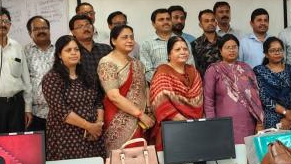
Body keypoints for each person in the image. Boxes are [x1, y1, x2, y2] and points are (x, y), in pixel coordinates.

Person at [41, 34, 104, 161]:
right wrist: (88, 126)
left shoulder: (88, 76)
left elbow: (98, 102)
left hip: (93, 136)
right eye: (68, 50)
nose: (73, 53)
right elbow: (61, 111)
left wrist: (98, 125)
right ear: (59, 55)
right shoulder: (52, 78)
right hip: (66, 136)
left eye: (76, 49)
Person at [97, 25, 155, 154]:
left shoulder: (137, 63)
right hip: (118, 119)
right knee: (121, 159)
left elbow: (145, 87)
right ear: (113, 41)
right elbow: (114, 96)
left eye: (131, 37)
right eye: (124, 37)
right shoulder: (107, 62)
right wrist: (140, 114)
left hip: (141, 120)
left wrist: (148, 111)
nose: (130, 40)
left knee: (141, 158)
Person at [204, 34, 264, 144]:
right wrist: (212, 124)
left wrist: (259, 122)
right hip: (224, 123)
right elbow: (208, 101)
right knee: (229, 152)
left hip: (248, 122)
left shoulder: (246, 68)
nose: (231, 50)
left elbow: (256, 97)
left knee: (248, 152)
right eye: (228, 47)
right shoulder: (214, 70)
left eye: (234, 47)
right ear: (220, 51)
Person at [149, 36, 204, 151]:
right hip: (171, 129)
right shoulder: (162, 72)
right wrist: (183, 122)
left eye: (185, 49)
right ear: (169, 54)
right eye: (177, 49)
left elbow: (199, 99)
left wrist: (192, 124)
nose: (183, 52)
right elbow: (160, 103)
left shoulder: (193, 71)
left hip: (195, 127)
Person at [254, 37, 291, 130]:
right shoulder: (260, 71)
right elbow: (264, 98)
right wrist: (285, 112)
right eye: (273, 50)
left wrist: (290, 116)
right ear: (266, 54)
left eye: (280, 50)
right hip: (271, 117)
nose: (277, 53)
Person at [141, 8, 193, 82]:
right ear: (153, 24)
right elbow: (147, 71)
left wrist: (178, 83)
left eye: (168, 19)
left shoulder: (184, 42)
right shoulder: (146, 44)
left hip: (183, 85)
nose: (165, 22)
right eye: (161, 19)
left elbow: (190, 67)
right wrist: (164, 82)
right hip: (159, 86)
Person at [24, 15, 53, 132]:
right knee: (37, 144)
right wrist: (27, 109)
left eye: (44, 28)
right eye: (36, 29)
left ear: (49, 30)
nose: (41, 31)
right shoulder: (23, 52)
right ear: (29, 33)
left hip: (59, 111)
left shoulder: (60, 50)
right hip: (34, 113)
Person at [70, 13, 111, 92]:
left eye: (88, 25)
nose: (85, 28)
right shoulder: (72, 53)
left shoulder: (106, 49)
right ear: (73, 32)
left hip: (108, 94)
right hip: (82, 95)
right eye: (80, 26)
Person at [191, 9, 221, 77]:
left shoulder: (224, 42)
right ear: (200, 25)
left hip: (224, 81)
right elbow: (194, 68)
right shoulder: (194, 45)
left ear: (216, 23)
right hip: (204, 81)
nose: (210, 23)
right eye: (206, 21)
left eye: (212, 20)